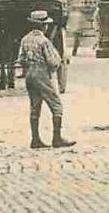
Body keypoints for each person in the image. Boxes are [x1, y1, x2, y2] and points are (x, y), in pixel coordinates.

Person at [18, 10, 75, 149]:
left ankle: (35, 139)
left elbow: (21, 59)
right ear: (44, 26)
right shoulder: (44, 41)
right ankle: (57, 138)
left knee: (34, 107)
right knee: (56, 105)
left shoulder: (25, 39)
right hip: (41, 73)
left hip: (29, 75)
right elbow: (53, 61)